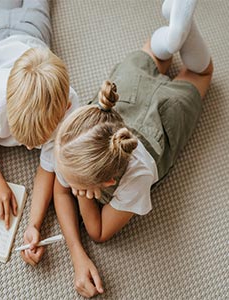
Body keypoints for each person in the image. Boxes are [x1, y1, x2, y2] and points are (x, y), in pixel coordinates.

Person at [53, 0, 213, 297]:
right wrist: (76, 253)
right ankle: (174, 35)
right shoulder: (78, 137)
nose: (60, 178)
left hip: (165, 117)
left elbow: (98, 232)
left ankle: (179, 35)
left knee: (202, 73)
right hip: (125, 95)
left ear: (107, 183)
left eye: (77, 185)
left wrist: (84, 199)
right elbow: (59, 190)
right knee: (152, 56)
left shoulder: (136, 178)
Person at [0, 0, 79, 265]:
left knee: (38, 5)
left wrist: (34, 224)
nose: (28, 149)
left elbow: (47, 167)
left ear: (65, 109)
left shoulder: (69, 111)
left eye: (35, 142)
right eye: (22, 138)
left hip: (33, 31)